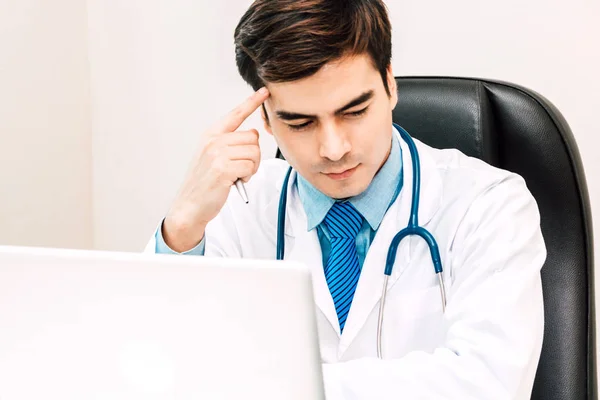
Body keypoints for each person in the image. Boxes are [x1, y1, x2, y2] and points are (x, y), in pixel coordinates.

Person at [145, 0, 546, 398]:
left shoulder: (489, 205)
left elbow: (489, 384)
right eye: (301, 123)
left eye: (354, 111)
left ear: (390, 85)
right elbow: (155, 367)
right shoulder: (236, 208)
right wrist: (181, 226)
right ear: (265, 119)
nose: (334, 149)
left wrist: (281, 386)